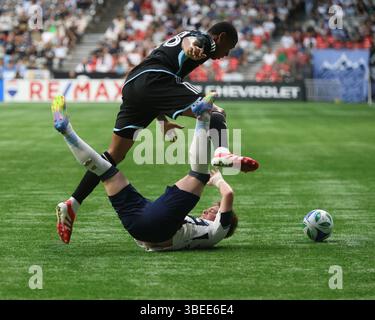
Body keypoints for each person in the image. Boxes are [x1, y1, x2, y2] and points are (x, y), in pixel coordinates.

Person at [56, 21, 259, 243]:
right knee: (215, 111)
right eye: (228, 48)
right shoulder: (206, 42)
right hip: (155, 79)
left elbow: (172, 59)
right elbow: (191, 43)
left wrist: (163, 122)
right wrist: (191, 47)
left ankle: (73, 203)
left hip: (133, 85)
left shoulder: (188, 38)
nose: (225, 55)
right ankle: (222, 151)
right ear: (220, 37)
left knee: (114, 155)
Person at [52, 95, 241, 250]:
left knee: (200, 175)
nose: (208, 211)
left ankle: (203, 119)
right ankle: (67, 131)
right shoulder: (200, 229)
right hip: (139, 225)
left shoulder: (217, 231)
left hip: (158, 226)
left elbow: (228, 195)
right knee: (106, 172)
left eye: (214, 212)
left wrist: (218, 180)